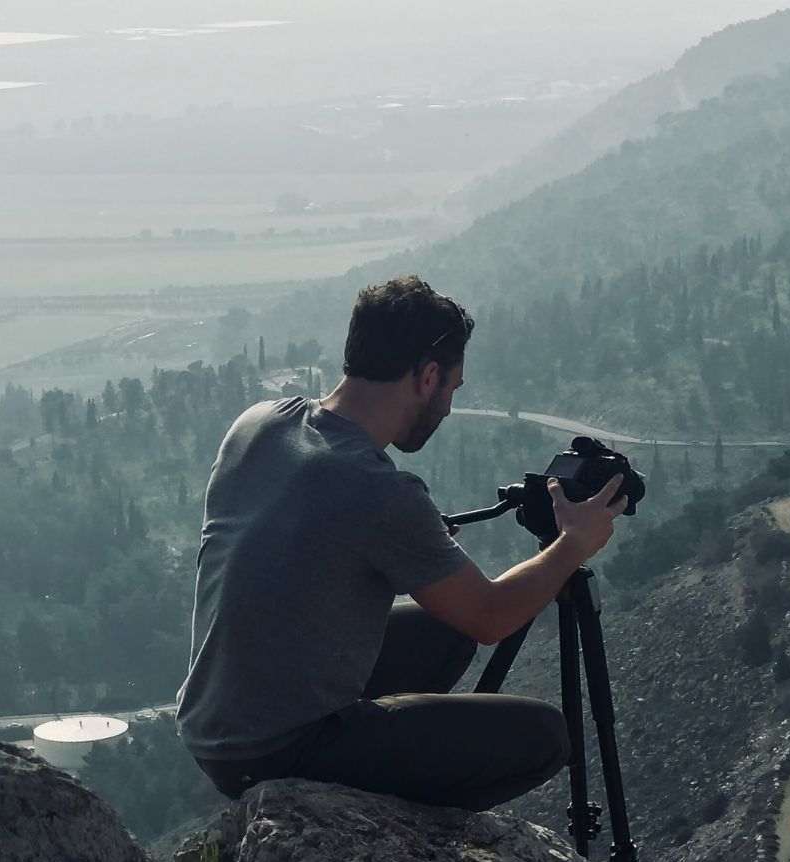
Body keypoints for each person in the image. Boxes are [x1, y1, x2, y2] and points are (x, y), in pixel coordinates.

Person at [176, 275, 628, 810]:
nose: (448, 407)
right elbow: (490, 617)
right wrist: (573, 544)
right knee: (545, 737)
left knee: (445, 632)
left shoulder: (260, 424)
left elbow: (302, 542)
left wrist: (398, 547)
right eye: (452, 389)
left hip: (212, 725)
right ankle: (390, 831)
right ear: (428, 376)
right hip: (276, 749)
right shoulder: (378, 489)